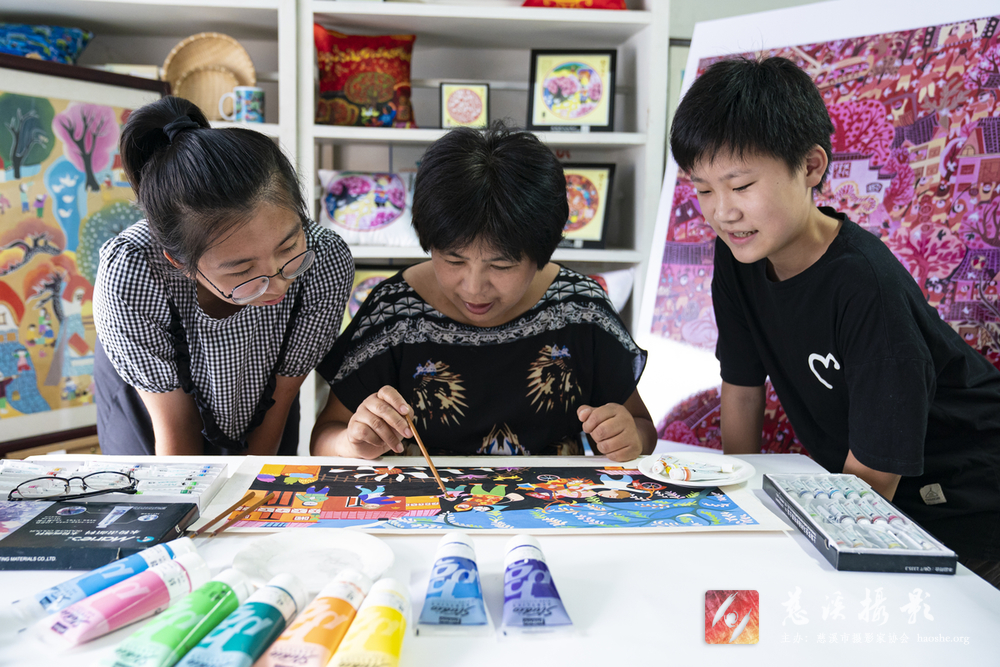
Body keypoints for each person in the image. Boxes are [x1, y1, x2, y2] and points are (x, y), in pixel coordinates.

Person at [670, 56, 1000, 586]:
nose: (722, 211)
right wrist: (737, 504)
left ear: (810, 166)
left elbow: (873, 479)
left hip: (965, 504)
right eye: (704, 189)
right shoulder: (738, 256)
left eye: (742, 185)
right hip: (867, 495)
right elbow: (742, 386)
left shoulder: (864, 285)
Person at [311, 123, 655, 462]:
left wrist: (628, 437)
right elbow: (325, 435)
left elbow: (642, 427)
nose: (474, 287)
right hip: (426, 498)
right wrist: (352, 443)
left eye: (501, 266)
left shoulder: (581, 309)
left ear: (541, 253)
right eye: (453, 260)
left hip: (552, 498)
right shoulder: (393, 311)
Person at [93, 96, 353, 456]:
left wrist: (254, 483)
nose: (278, 283)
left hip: (265, 402)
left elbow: (280, 401)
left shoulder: (325, 257)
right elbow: (176, 433)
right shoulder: (132, 269)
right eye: (243, 270)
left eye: (289, 247)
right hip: (154, 413)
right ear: (179, 263)